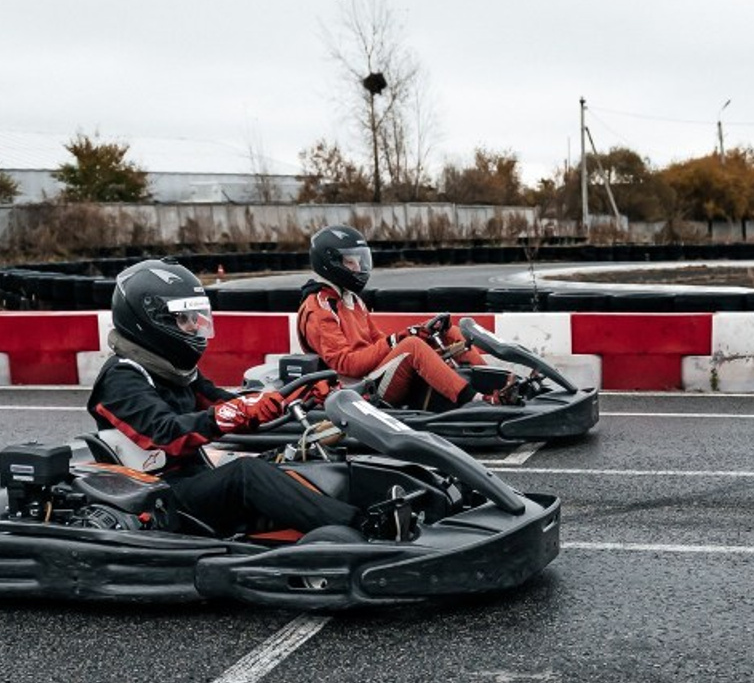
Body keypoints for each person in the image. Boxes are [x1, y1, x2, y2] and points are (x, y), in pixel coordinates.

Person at [87, 259, 417, 541]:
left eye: (194, 318)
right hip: (158, 494)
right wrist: (232, 414)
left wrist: (288, 396)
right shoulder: (122, 377)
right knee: (247, 473)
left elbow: (221, 400)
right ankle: (364, 527)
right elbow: (165, 435)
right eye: (182, 319)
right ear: (148, 321)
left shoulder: (173, 370)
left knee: (287, 454)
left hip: (193, 477)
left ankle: (381, 502)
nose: (192, 328)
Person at [296, 225, 521, 410]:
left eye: (358, 261)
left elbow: (377, 341)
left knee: (446, 331)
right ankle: (479, 402)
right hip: (355, 391)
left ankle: (500, 383)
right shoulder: (319, 309)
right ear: (330, 262)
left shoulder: (352, 299)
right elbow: (346, 365)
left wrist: (419, 333)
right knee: (412, 346)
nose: (358, 267)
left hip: (372, 374)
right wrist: (401, 340)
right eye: (350, 262)